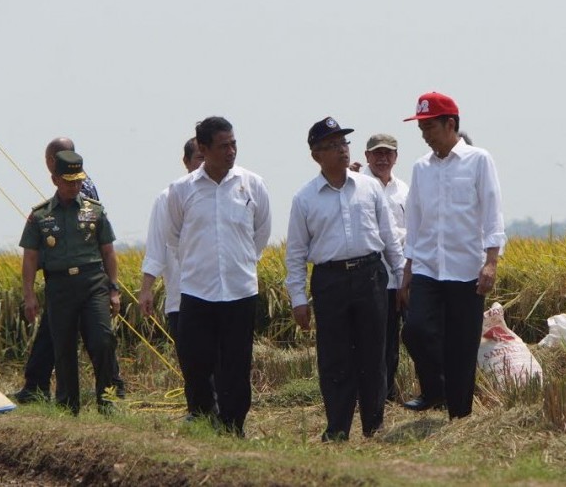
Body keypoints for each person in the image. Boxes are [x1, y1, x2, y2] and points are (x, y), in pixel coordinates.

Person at [286, 117, 406, 441]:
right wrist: (298, 299)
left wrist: (401, 277)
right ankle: (337, 429)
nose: (341, 151)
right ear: (316, 155)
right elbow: (295, 254)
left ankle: (374, 427)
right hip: (330, 282)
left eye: (344, 144)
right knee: (335, 357)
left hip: (370, 276)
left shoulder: (369, 189)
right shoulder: (305, 199)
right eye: (332, 146)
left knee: (374, 354)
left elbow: (390, 238)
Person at [400, 92, 507, 419]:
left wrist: (491, 262)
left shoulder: (478, 160)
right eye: (421, 128)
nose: (425, 135)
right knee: (415, 330)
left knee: (462, 346)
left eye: (429, 127)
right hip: (428, 268)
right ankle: (435, 389)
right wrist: (407, 269)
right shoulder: (421, 168)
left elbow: (492, 213)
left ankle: (459, 415)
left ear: (450, 124)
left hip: (466, 270)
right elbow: (414, 222)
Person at [166, 116, 271, 436]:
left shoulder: (251, 184)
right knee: (197, 362)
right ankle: (203, 417)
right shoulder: (182, 190)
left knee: (237, 366)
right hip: (198, 291)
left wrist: (240, 262)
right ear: (203, 148)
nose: (231, 151)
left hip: (240, 291)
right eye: (223, 146)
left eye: (233, 144)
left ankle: (233, 425)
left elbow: (261, 233)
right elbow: (174, 237)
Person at [12, 137, 125, 403]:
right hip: (60, 285)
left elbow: (107, 248)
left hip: (91, 280)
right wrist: (29, 293)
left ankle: (111, 393)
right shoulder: (41, 214)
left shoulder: (89, 199)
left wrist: (113, 286)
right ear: (56, 178)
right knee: (62, 347)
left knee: (101, 339)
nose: (74, 185)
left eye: (77, 181)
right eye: (68, 181)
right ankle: (62, 401)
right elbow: (30, 257)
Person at [354, 133, 409, 402]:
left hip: (396, 277)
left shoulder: (405, 191)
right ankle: (364, 395)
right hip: (366, 276)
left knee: (392, 340)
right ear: (367, 156)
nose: (382, 158)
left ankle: (386, 394)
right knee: (367, 341)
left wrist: (403, 278)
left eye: (388, 153)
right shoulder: (355, 184)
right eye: (377, 153)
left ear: (396, 157)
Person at [139, 137, 204, 340]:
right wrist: (147, 289)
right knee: (193, 367)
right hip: (181, 299)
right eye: (199, 158)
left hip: (223, 299)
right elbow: (156, 249)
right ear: (186, 161)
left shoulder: (231, 193)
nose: (204, 164)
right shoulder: (168, 197)